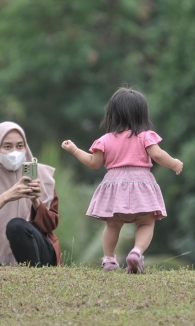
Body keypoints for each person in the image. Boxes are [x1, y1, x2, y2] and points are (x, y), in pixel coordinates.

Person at [61, 87, 183, 273]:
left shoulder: (105, 140)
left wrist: (75, 150)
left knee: (113, 224)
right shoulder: (145, 136)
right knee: (146, 222)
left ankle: (109, 259)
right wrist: (174, 163)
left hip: (114, 185)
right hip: (141, 183)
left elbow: (94, 163)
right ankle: (136, 252)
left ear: (112, 115)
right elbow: (158, 155)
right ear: (142, 115)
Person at [0, 121, 61, 267]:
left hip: (41, 256)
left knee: (16, 226)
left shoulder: (42, 177)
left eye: (20, 146)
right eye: (7, 146)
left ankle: (35, 281)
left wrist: (36, 202)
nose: (15, 152)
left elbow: (52, 224)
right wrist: (5, 197)